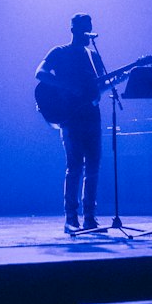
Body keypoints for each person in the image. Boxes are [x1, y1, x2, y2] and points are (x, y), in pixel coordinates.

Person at [36, 14, 106, 234]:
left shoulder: (94, 57)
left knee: (93, 165)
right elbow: (40, 73)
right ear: (74, 30)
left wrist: (120, 79)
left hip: (92, 116)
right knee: (75, 165)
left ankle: (90, 217)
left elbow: (100, 86)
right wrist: (67, 87)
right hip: (70, 117)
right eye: (85, 28)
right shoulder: (59, 52)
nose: (89, 32)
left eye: (90, 28)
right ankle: (70, 217)